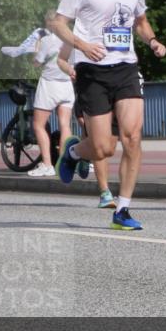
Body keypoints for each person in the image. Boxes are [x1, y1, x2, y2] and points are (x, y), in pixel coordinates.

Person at [51, 0, 166, 231]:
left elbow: (140, 21)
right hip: (93, 71)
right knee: (103, 148)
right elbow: (59, 23)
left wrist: (152, 40)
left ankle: (123, 210)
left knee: (133, 138)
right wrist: (82, 45)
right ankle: (74, 152)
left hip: (126, 67)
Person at [59, 41, 116, 208]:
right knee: (96, 139)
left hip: (115, 86)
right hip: (89, 88)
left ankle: (81, 153)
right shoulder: (76, 33)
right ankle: (105, 192)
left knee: (104, 144)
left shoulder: (114, 26)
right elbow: (61, 60)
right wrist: (70, 70)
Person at [27, 12, 76, 178]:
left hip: (49, 84)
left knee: (39, 125)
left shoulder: (47, 41)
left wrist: (36, 48)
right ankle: (63, 162)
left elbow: (36, 62)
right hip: (67, 84)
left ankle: (47, 164)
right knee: (65, 125)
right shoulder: (72, 39)